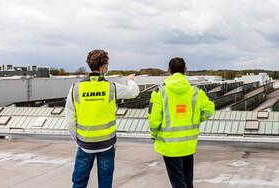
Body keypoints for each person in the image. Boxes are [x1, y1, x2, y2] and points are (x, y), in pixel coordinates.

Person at [65, 49, 140, 188]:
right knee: (105, 183)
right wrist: (130, 81)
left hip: (85, 144)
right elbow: (134, 92)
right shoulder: (112, 87)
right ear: (104, 67)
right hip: (107, 144)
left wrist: (80, 140)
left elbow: (69, 121)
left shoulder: (75, 88)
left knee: (79, 182)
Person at [148, 57, 215, 188]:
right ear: (185, 70)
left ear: (169, 71)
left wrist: (154, 135)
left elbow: (154, 119)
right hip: (188, 144)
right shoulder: (196, 91)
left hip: (170, 146)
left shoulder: (160, 92)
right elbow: (209, 109)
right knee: (188, 181)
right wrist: (196, 119)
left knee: (178, 182)